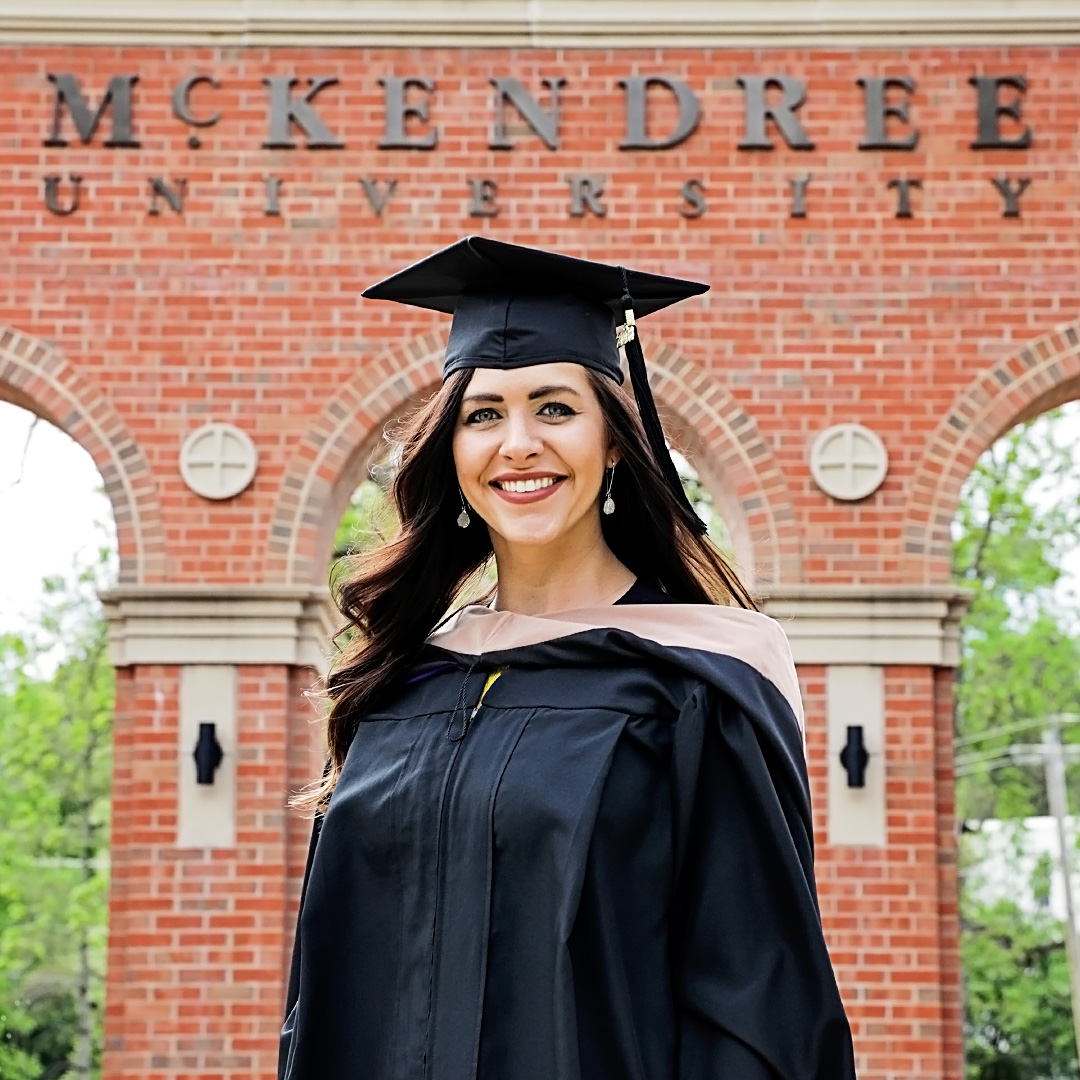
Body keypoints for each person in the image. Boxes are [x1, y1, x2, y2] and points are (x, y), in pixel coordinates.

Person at [278, 236, 857, 1080]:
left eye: (554, 408)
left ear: (615, 442)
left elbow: (755, 1003)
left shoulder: (697, 680)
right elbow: (324, 990)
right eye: (484, 415)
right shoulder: (405, 681)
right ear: (453, 451)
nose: (518, 443)